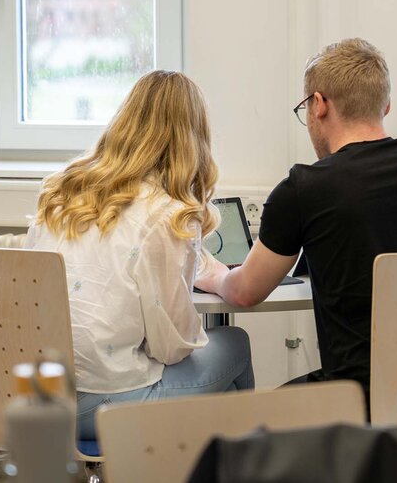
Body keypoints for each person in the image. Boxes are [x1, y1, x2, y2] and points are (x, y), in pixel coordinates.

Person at [196, 38, 397, 404]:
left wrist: (213, 273)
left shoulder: (304, 187)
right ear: (386, 105)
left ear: (318, 105)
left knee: (242, 422)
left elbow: (245, 292)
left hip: (352, 400)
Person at [26, 70, 254, 440]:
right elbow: (172, 347)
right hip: (106, 404)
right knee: (236, 343)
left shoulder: (60, 194)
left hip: (38, 396)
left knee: (222, 394)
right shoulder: (167, 213)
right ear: (193, 139)